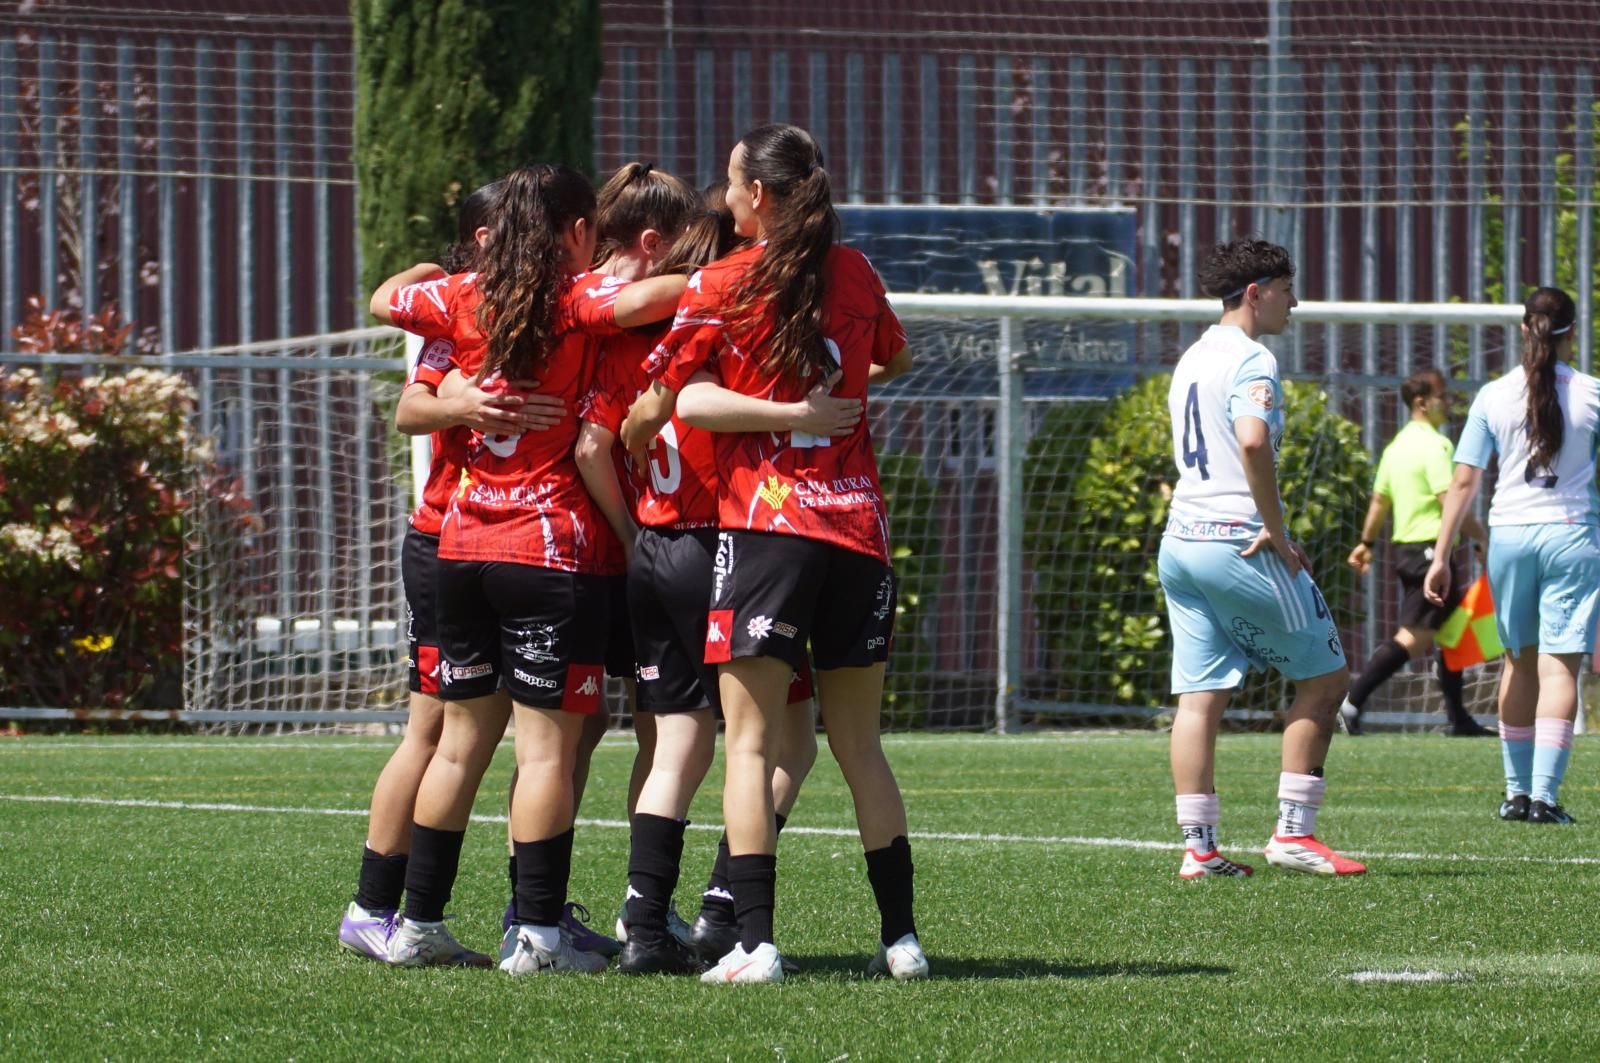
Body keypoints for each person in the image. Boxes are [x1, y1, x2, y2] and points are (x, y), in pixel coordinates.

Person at [623, 123, 923, 983]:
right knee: (859, 746)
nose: (721, 197)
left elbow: (686, 402)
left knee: (749, 747)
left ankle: (753, 943)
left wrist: (785, 413)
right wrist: (833, 392)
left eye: (729, 183)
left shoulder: (724, 280)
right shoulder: (857, 272)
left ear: (758, 196)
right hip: (859, 533)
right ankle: (901, 939)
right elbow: (894, 359)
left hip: (768, 534)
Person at [379, 163, 687, 973]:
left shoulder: (455, 297)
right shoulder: (574, 301)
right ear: (576, 232)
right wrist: (717, 273)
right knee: (548, 751)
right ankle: (540, 935)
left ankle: (417, 923)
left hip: (461, 545)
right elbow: (647, 299)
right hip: (548, 552)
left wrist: (441, 294)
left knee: (457, 746)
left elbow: (384, 300)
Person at [577, 174, 850, 973]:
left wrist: (630, 530)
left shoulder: (626, 346)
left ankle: (644, 924)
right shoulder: (726, 333)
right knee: (785, 743)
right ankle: (726, 905)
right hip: (732, 544)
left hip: (652, 551)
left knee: (675, 746)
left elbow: (607, 440)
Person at [338, 178, 561, 960]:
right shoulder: (454, 311)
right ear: (478, 242)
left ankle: (532, 909)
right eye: (504, 233)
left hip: (490, 541)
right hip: (447, 537)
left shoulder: (510, 313)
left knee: (508, 732)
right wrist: (463, 404)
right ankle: (376, 905)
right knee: (435, 730)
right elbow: (411, 408)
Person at [1158, 238, 1365, 880]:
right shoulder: (1254, 358)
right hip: (1235, 540)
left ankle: (1199, 850)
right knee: (1326, 679)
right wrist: (1276, 530)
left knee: (1199, 697)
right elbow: (1251, 442)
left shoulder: (1191, 358)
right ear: (1256, 292)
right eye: (1286, 288)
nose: (1294, 302)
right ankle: (1293, 836)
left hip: (1181, 543)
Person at [1425, 286, 1600, 825]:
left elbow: (1462, 480)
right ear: (1573, 331)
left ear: (1525, 328)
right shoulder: (1593, 394)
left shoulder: (1493, 395)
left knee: (1518, 663)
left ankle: (1515, 794)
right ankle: (1545, 798)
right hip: (1572, 535)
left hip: (1510, 535)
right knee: (1560, 667)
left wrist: (1440, 554)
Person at [1341, 367, 1492, 737]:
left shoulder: (1396, 447)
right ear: (1422, 402)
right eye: (1444, 395)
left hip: (1409, 550)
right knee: (1416, 637)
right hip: (1429, 554)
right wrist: (1482, 537)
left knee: (1452, 633)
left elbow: (1379, 500)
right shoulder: (1437, 445)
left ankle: (1458, 719)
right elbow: (1449, 499)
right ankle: (1350, 702)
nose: (1450, 401)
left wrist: (1367, 542)